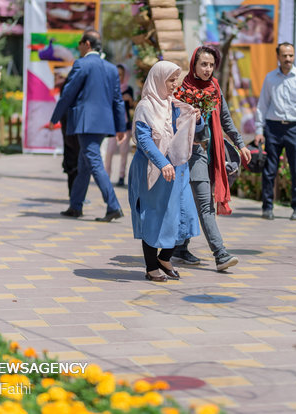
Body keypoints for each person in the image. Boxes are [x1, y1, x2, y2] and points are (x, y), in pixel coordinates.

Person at [171, 46, 252, 272]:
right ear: (194, 65)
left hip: (212, 153)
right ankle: (220, 254)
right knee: (204, 205)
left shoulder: (215, 87)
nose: (207, 69)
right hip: (189, 154)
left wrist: (241, 144)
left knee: (192, 203)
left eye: (211, 65)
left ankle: (179, 247)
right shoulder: (182, 91)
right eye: (203, 64)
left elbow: (225, 118)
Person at [127, 61, 203, 282]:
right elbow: (144, 140)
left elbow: (194, 130)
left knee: (183, 215)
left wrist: (197, 120)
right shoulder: (145, 107)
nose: (174, 85)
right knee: (154, 216)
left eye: (175, 80)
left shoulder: (174, 104)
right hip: (153, 169)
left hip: (176, 170)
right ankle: (152, 267)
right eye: (170, 80)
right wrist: (162, 163)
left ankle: (165, 258)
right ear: (158, 80)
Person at [49, 29, 127, 222]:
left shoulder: (81, 64)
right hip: (104, 123)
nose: (78, 47)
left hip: (86, 123)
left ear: (87, 44)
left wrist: (54, 118)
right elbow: (118, 100)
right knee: (84, 165)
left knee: (93, 162)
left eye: (80, 44)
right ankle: (75, 206)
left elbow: (68, 94)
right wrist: (120, 126)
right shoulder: (110, 68)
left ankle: (113, 206)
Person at [254, 42, 296, 221]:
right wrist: (259, 130)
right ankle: (267, 207)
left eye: (291, 55)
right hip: (273, 128)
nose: (288, 59)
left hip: (294, 128)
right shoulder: (270, 78)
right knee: (269, 170)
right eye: (284, 55)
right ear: (278, 57)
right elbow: (262, 105)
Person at [103, 64, 135, 187]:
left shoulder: (129, 89)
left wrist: (129, 99)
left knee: (123, 152)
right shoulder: (111, 88)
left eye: (121, 74)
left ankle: (122, 176)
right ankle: (107, 176)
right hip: (112, 125)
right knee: (109, 151)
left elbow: (132, 106)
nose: (119, 77)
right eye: (117, 74)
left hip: (125, 125)